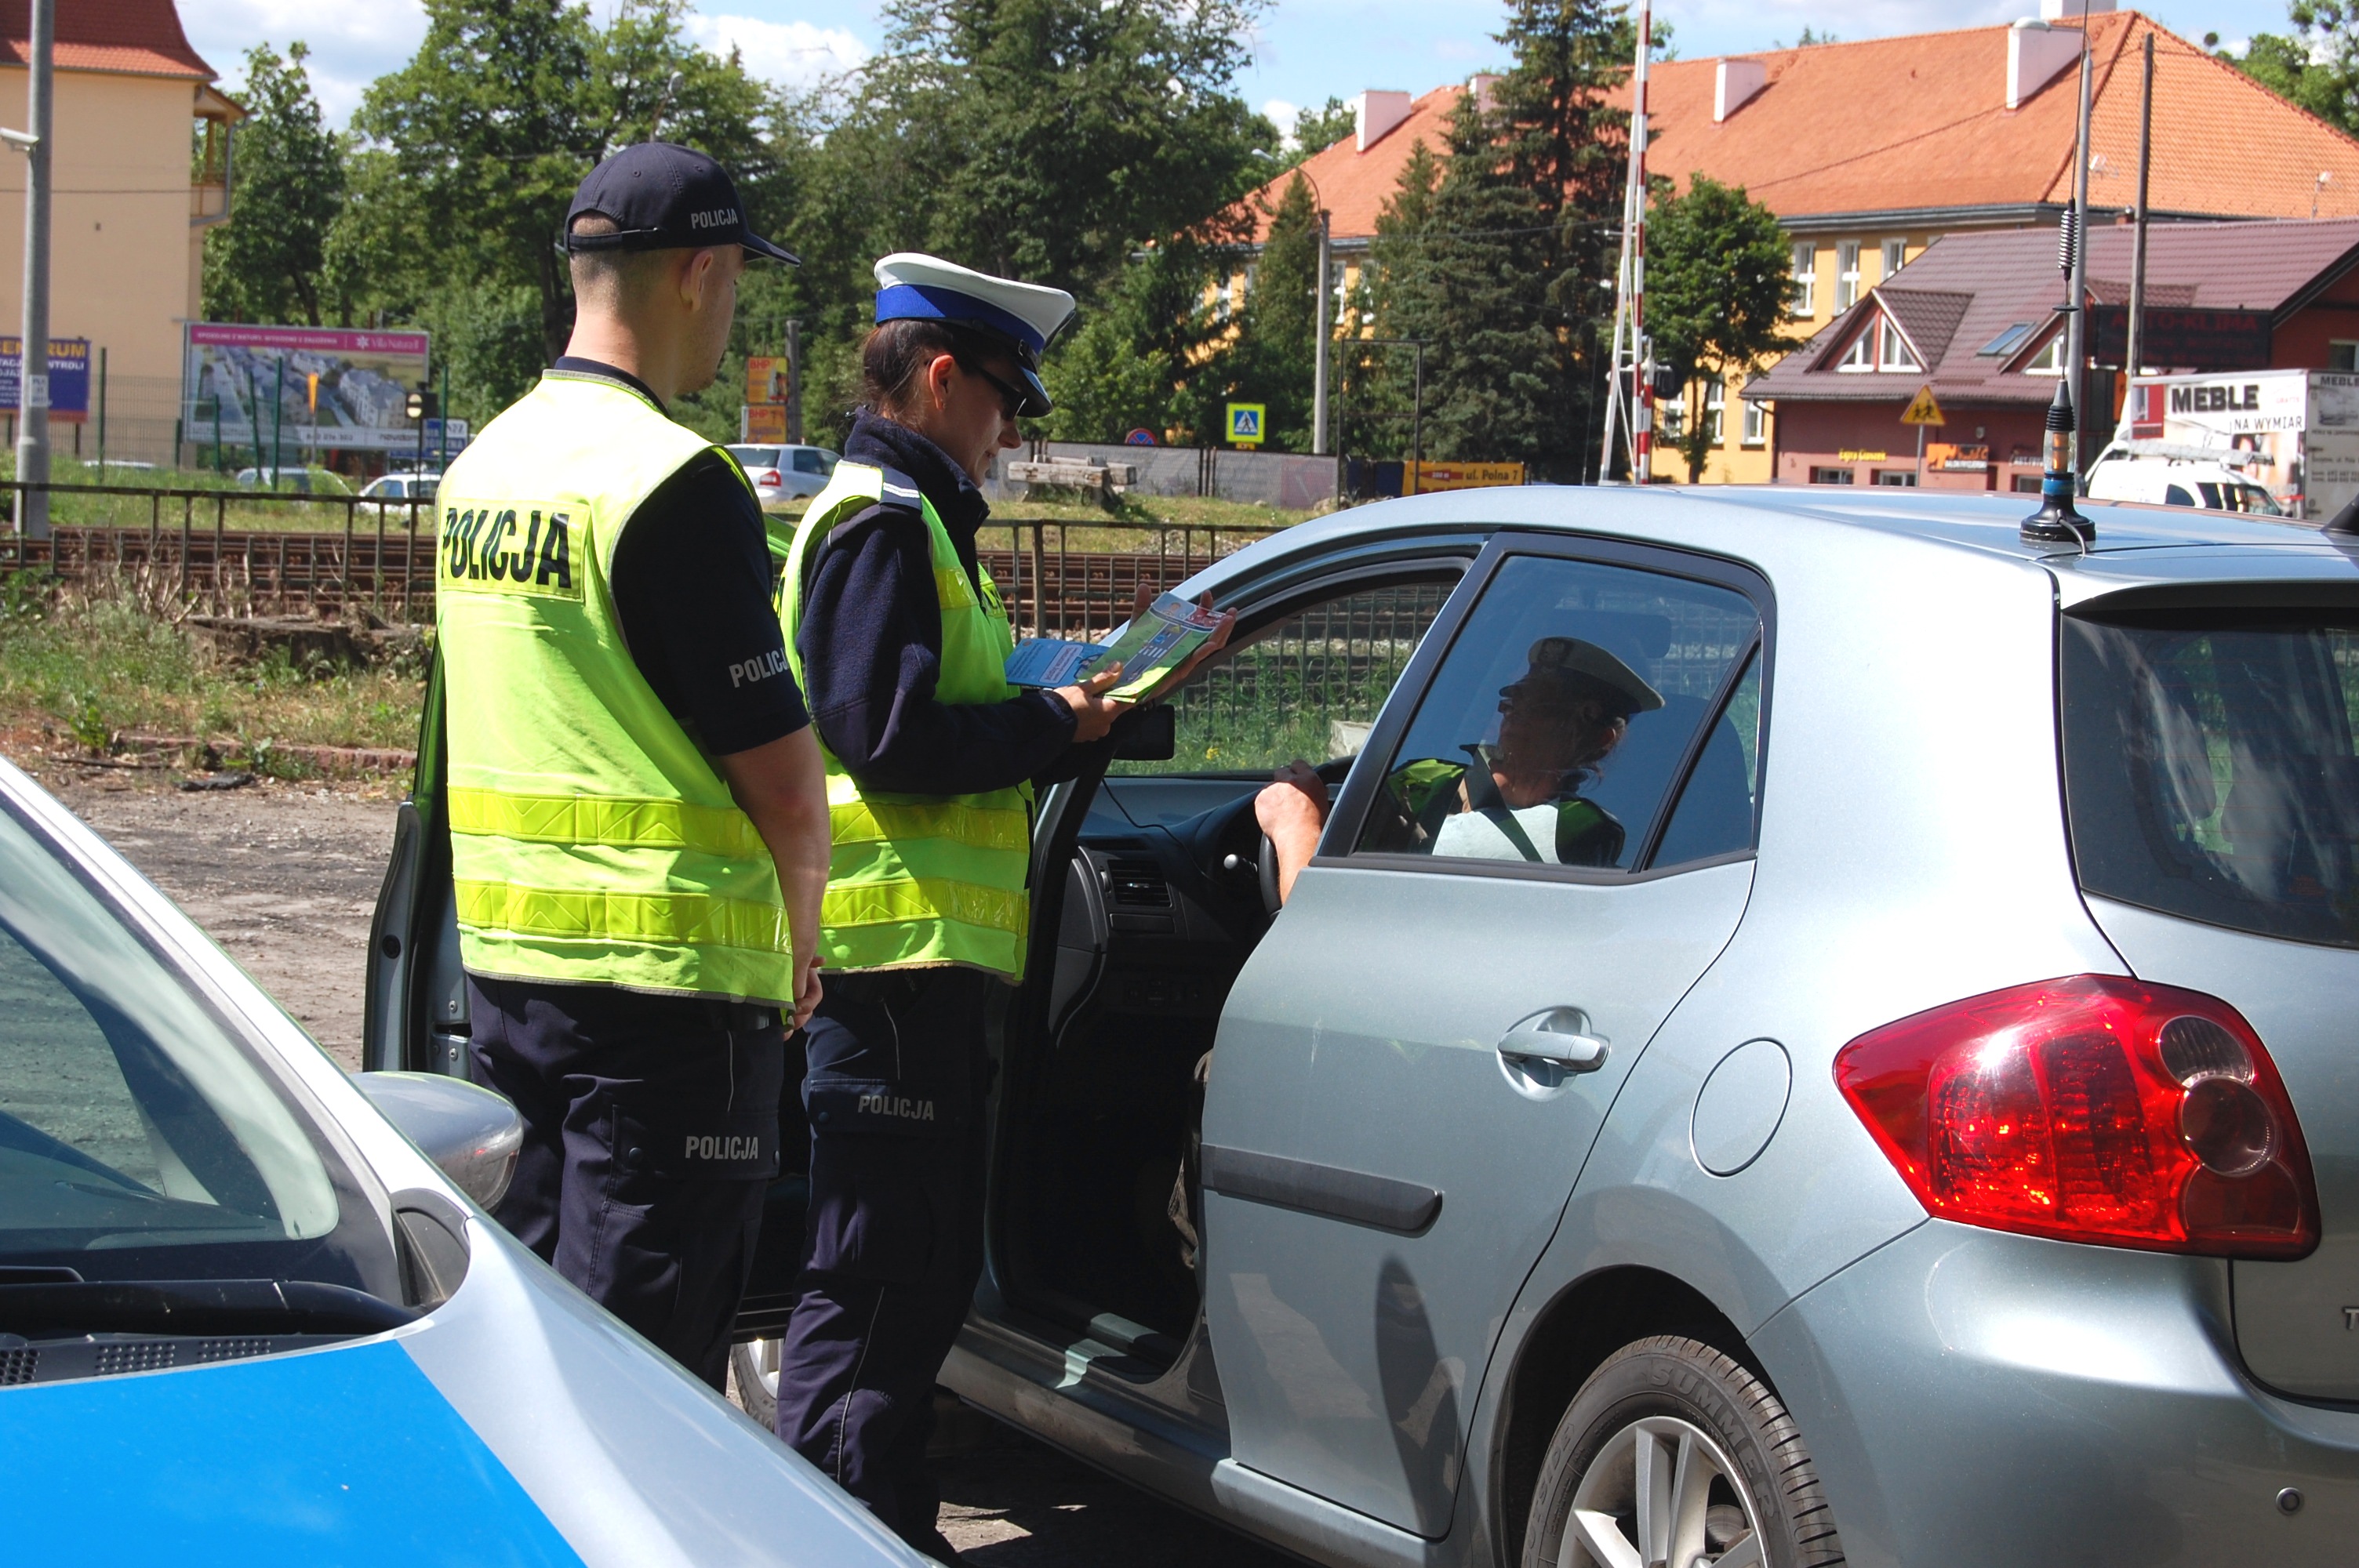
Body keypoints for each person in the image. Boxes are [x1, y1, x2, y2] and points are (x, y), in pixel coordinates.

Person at [431, 142, 831, 1392]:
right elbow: (780, 781)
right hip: (667, 1013)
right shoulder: (674, 482)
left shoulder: (481, 469)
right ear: (700, 271)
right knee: (647, 1376)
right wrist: (804, 934)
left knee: (536, 1341)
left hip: (509, 982)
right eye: (736, 284)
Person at [765, 252, 1118, 1559]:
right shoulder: (878, 524)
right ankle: (831, 1539)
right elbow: (888, 738)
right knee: (872, 1294)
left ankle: (872, 1525)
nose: (1011, 431)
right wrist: (1045, 722)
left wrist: (1065, 723)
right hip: (887, 961)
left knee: (900, 1292)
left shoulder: (907, 521)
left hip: (908, 964)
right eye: (1005, 402)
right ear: (937, 376)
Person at [1256, 635, 1663, 900]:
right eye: (1514, 695)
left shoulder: (1581, 827)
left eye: (1543, 700)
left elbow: (1316, 918)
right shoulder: (1434, 778)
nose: (1512, 708)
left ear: (1599, 736)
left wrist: (1297, 825)